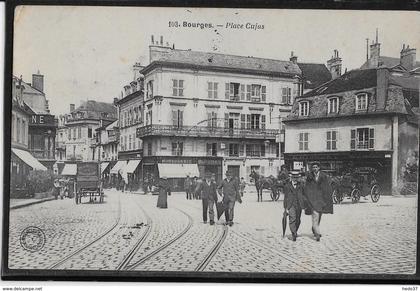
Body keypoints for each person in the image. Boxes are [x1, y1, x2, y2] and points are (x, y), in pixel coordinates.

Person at [303, 161, 333, 241]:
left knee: (319, 216)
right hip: (312, 199)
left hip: (321, 199)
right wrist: (307, 197)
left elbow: (326, 187)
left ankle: (314, 228)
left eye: (316, 167)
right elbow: (307, 187)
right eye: (313, 167)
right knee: (315, 216)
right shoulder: (309, 176)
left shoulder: (323, 176)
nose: (315, 169)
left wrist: (327, 198)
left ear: (319, 168)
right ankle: (317, 233)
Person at [283, 171, 305, 241]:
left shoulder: (301, 185)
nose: (295, 179)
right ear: (291, 178)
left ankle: (295, 230)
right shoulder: (287, 186)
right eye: (293, 178)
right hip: (290, 205)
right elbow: (285, 197)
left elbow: (304, 194)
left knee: (298, 220)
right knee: (292, 219)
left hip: (299, 205)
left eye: (296, 178)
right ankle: (294, 233)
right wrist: (285, 208)